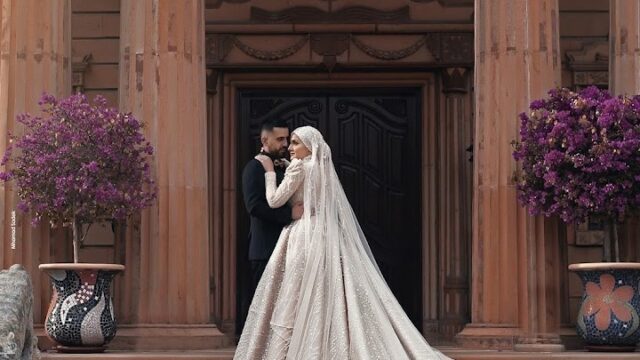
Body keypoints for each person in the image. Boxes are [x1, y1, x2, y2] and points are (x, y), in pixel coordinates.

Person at [235, 126, 452, 359]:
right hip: (326, 233)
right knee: (328, 289)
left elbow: (274, 200)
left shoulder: (298, 167)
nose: (290, 147)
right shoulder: (322, 168)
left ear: (309, 146)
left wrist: (269, 173)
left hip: (303, 234)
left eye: (295, 143)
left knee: (296, 291)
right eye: (289, 141)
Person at [240, 119, 304, 333]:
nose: (285, 143)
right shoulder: (254, 167)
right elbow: (254, 206)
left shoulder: (287, 166)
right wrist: (290, 214)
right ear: (264, 139)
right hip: (264, 249)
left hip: (290, 248)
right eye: (280, 139)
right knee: (265, 310)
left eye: (287, 138)